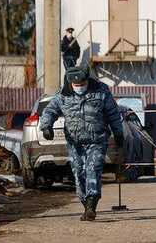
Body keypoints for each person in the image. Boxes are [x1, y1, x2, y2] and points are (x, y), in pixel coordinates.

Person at [39, 66, 124, 221]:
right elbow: (50, 111)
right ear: (71, 83)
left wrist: (118, 132)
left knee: (93, 168)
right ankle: (86, 205)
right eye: (76, 86)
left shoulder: (101, 91)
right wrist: (46, 127)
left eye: (82, 84)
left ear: (87, 80)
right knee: (78, 173)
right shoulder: (63, 95)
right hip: (75, 143)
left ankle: (92, 204)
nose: (79, 88)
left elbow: (113, 113)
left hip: (97, 140)